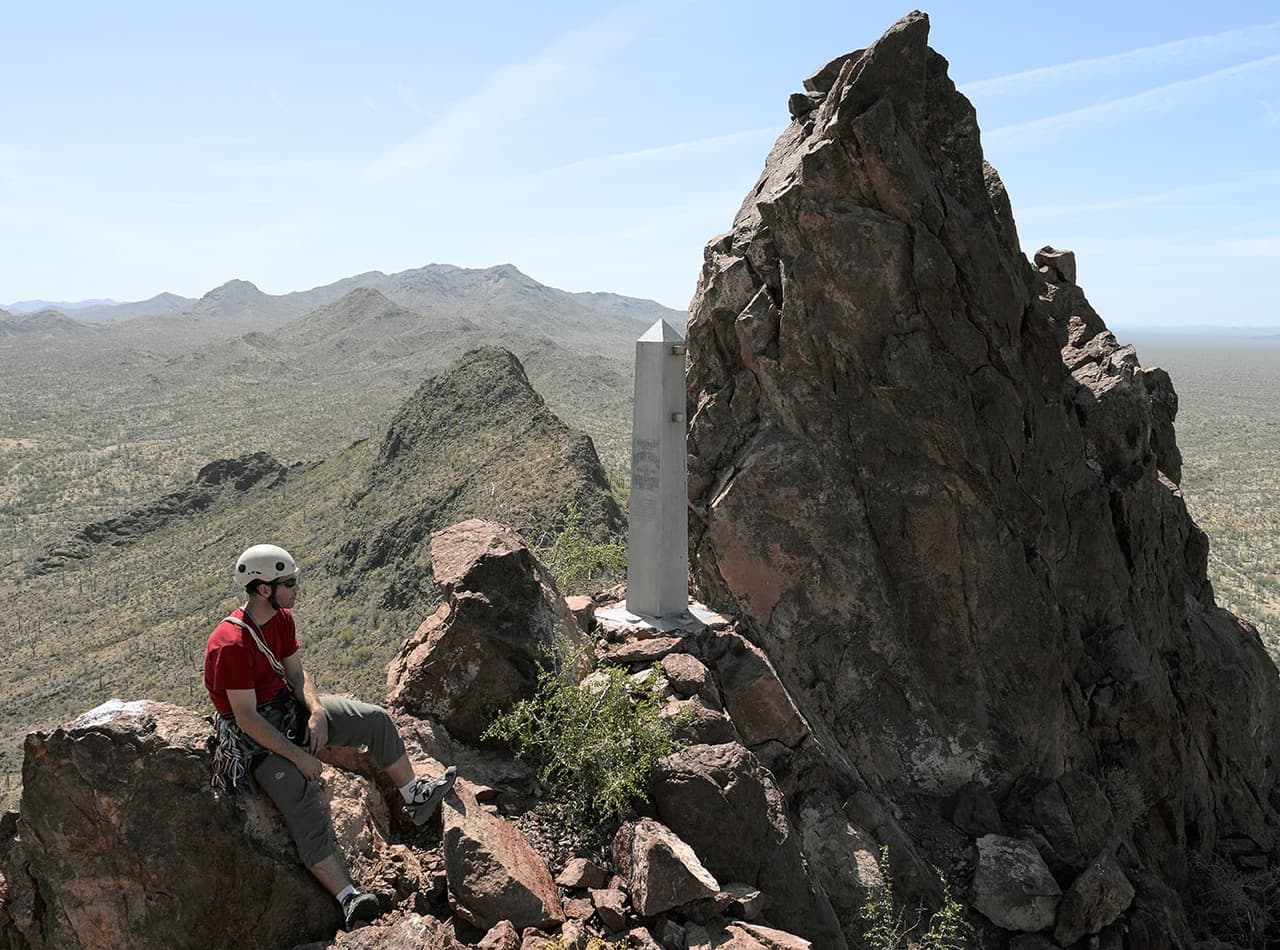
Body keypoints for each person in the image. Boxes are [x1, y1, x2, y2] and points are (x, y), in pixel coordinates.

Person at [204, 543, 456, 931]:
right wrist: (299, 757)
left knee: (375, 721)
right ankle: (349, 899)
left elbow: (297, 674)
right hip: (258, 738)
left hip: (289, 709)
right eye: (287, 582)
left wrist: (317, 711)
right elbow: (248, 719)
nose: (295, 588)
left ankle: (414, 796)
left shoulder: (282, 618)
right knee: (303, 802)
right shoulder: (230, 644)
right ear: (262, 589)